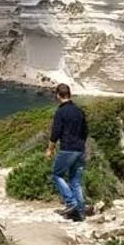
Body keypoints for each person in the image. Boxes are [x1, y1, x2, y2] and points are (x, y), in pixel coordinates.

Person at [45, 83, 88, 221]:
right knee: (76, 181)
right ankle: (80, 212)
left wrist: (50, 149)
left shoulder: (61, 111)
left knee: (57, 175)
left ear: (58, 95)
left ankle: (71, 203)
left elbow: (55, 133)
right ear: (70, 94)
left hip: (68, 149)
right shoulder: (79, 111)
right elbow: (85, 131)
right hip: (80, 149)